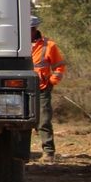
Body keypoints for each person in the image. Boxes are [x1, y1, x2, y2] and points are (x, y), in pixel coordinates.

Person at [31, 16, 67, 163]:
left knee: (44, 121)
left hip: (42, 89)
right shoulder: (15, 44)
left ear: (35, 29)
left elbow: (59, 66)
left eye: (31, 29)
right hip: (20, 90)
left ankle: (48, 152)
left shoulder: (49, 46)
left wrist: (53, 80)